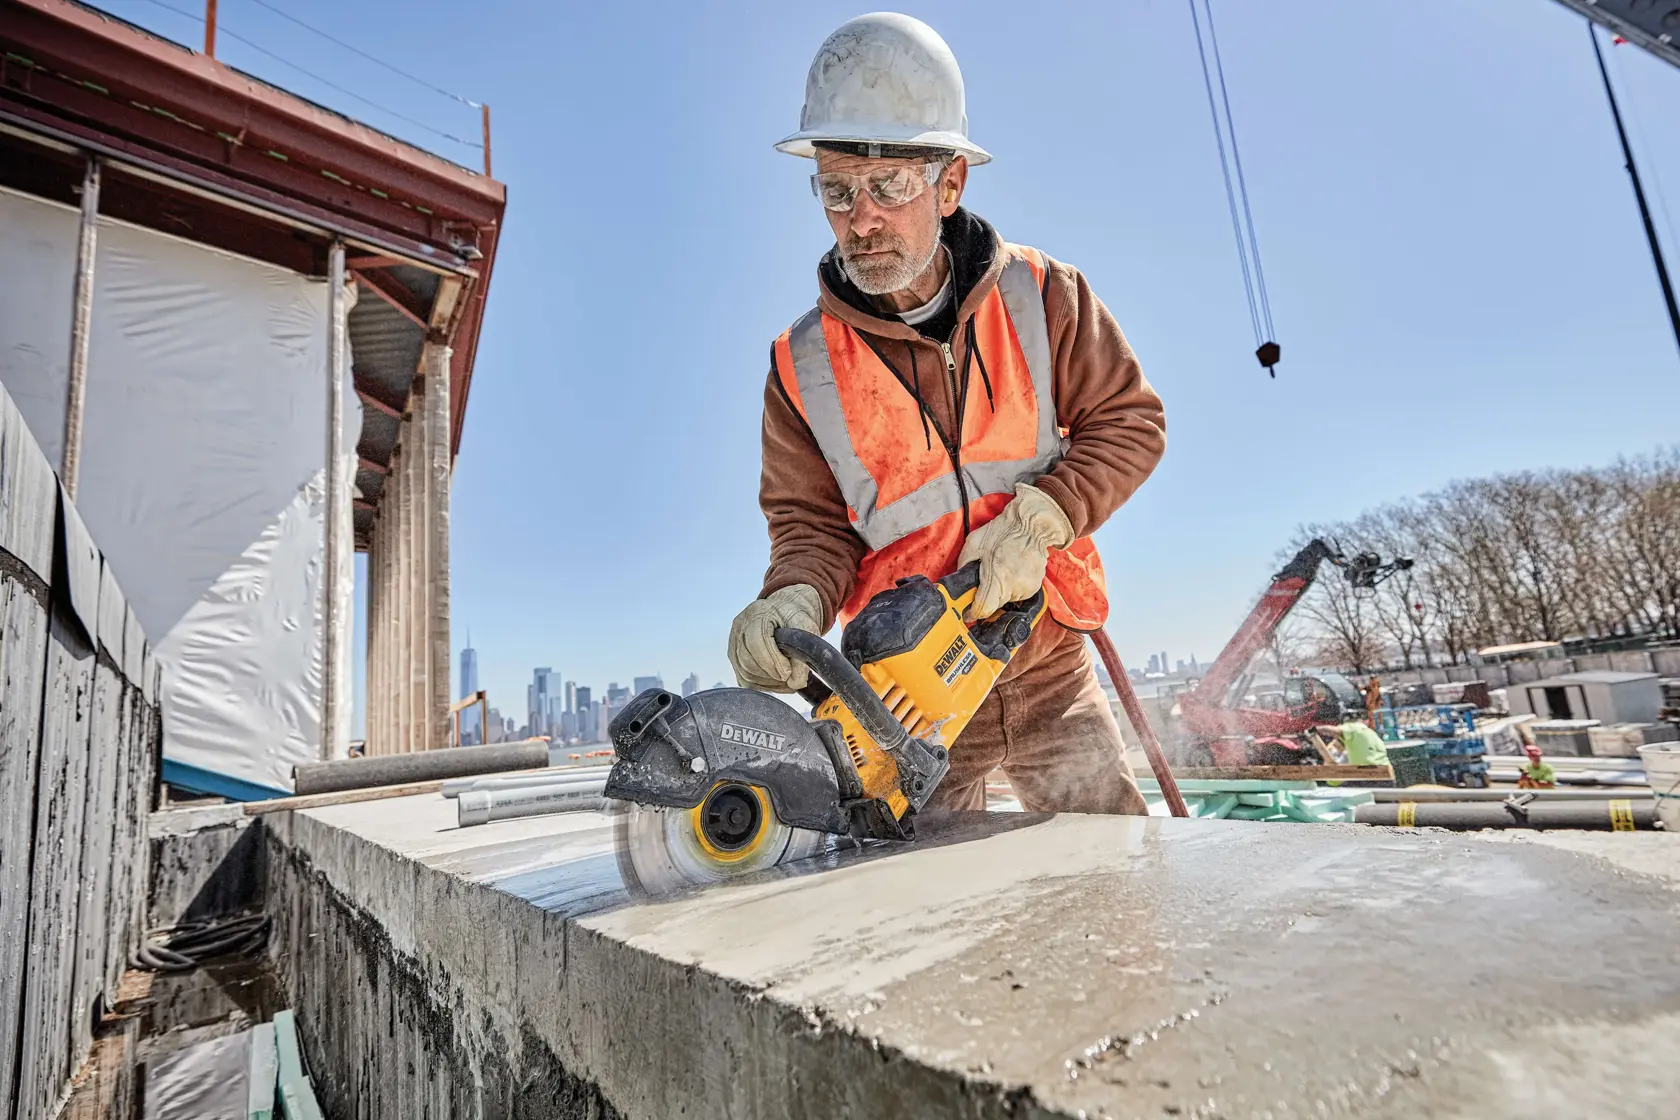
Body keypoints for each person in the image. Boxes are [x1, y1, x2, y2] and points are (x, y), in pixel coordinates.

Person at [726, 14, 1166, 815]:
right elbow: (810, 527)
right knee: (921, 906)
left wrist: (1043, 520)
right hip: (908, 699)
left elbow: (1131, 421)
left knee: (1115, 875)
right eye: (836, 190)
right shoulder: (802, 368)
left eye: (890, 187)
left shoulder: (1044, 295)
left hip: (1046, 662)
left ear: (950, 183)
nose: (861, 218)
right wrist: (793, 596)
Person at [1315, 722, 1391, 768]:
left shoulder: (1353, 729)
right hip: (1386, 774)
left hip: (1367, 776)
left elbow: (1334, 730)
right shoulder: (1371, 734)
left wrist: (1314, 730)